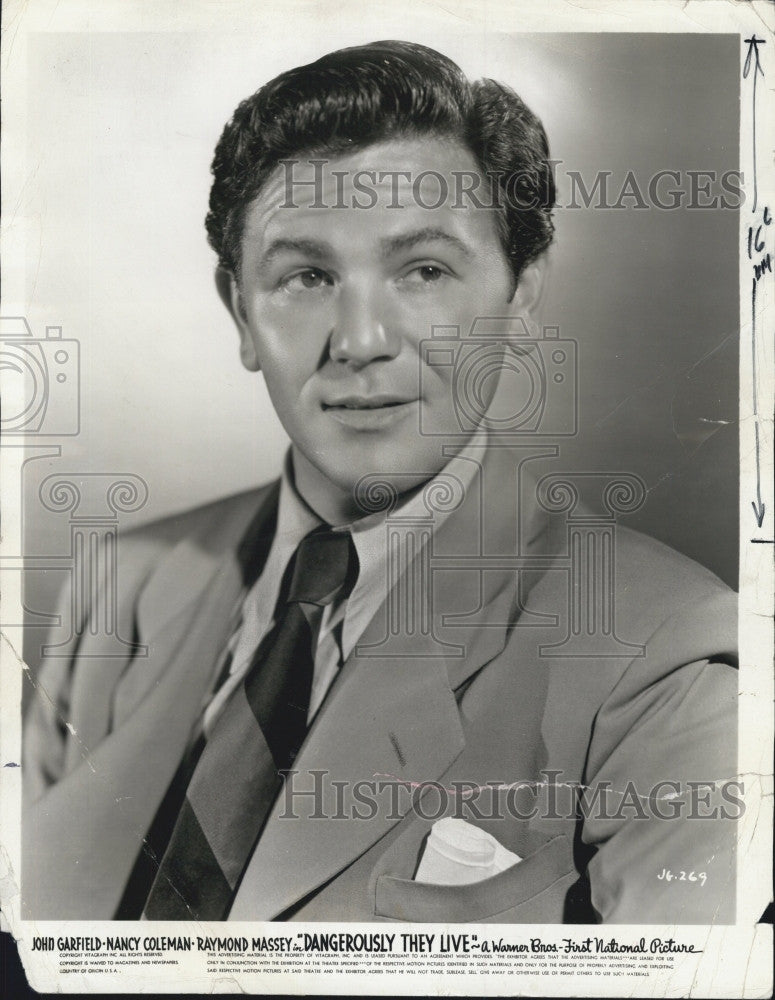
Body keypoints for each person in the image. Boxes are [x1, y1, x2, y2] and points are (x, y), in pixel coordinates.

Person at [22, 39, 737, 924]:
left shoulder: (666, 653)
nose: (360, 340)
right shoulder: (120, 585)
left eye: (423, 270)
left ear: (519, 300)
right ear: (240, 310)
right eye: (307, 276)